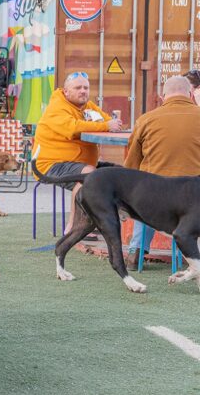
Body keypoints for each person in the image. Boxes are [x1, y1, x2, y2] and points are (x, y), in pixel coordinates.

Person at [31, 71, 123, 233]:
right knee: (89, 175)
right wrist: (106, 126)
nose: (83, 91)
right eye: (78, 88)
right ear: (66, 91)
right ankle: (74, 227)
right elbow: (72, 128)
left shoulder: (86, 106)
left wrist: (111, 122)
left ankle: (107, 220)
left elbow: (105, 120)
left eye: (86, 88)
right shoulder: (56, 107)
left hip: (80, 163)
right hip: (49, 165)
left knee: (118, 173)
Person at [123, 75, 200, 268]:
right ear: (191, 94)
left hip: (157, 195)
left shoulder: (145, 120)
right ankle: (191, 254)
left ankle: (136, 252)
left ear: (162, 96)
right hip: (195, 195)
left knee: (145, 199)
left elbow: (132, 165)